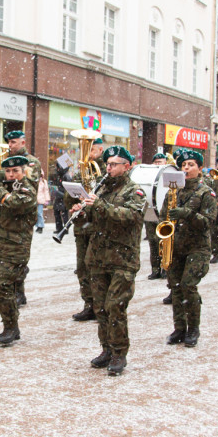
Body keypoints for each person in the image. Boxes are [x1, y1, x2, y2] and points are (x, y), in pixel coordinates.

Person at [73, 146, 145, 376]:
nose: (109, 168)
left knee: (116, 307)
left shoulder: (135, 191)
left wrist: (101, 206)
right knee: (101, 308)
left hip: (122, 259)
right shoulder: (101, 188)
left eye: (114, 164)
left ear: (127, 166)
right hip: (98, 258)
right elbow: (94, 221)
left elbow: (132, 216)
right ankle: (106, 350)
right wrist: (82, 213)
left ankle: (119, 354)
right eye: (108, 164)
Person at [0, 154, 37, 346]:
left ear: (24, 171)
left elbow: (13, 203)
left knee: (2, 284)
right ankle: (12, 325)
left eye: (16, 171)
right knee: (1, 288)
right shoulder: (1, 188)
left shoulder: (27, 189)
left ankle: (10, 327)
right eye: (8, 171)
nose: (11, 175)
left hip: (16, 248)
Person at [161, 149, 218, 347]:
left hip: (198, 248)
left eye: (191, 165)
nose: (186, 168)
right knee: (175, 288)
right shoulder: (173, 191)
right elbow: (163, 217)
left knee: (188, 286)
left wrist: (187, 214)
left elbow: (209, 222)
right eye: (183, 165)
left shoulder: (206, 192)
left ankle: (193, 328)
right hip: (176, 247)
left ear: (200, 168)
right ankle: (179, 328)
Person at [3, 130, 41, 307]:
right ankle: (13, 289)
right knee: (8, 255)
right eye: (9, 143)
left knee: (19, 255)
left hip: (24, 214)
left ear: (23, 143)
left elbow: (28, 184)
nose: (10, 146)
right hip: (7, 213)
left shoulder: (32, 162)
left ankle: (19, 292)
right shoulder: (6, 161)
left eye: (13, 142)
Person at [70, 136, 105, 321]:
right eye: (85, 150)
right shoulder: (80, 172)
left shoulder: (106, 171)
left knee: (96, 268)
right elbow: (70, 199)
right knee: (82, 267)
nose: (88, 155)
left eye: (91, 150)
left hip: (97, 228)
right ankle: (88, 304)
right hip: (81, 227)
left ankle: (100, 306)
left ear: (100, 150)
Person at [145, 151, 169, 280]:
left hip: (164, 214)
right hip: (151, 213)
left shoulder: (168, 174)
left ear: (165, 163)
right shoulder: (151, 175)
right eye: (156, 162)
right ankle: (155, 269)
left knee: (164, 242)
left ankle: (165, 268)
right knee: (153, 242)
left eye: (160, 162)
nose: (158, 164)